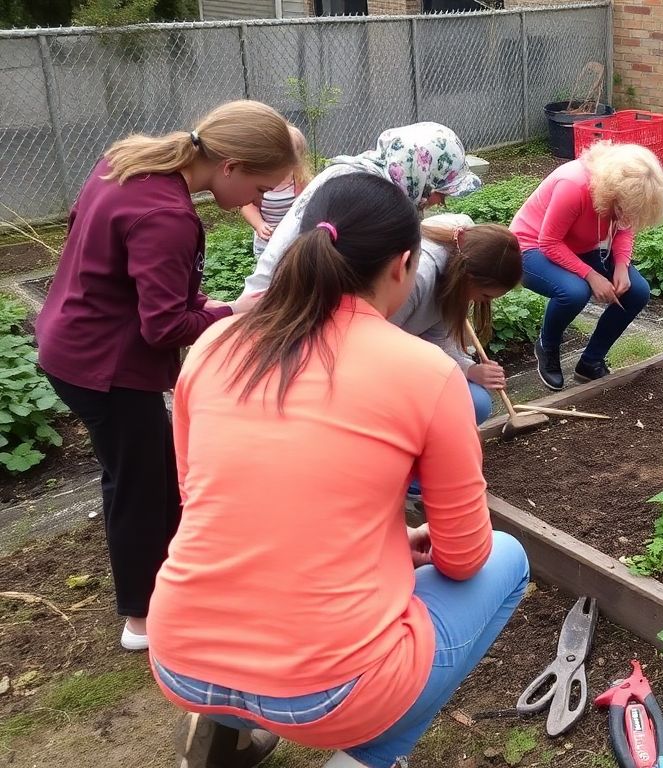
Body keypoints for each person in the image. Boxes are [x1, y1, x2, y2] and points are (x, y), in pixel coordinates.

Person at [147, 172, 530, 768]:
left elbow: (210, 499)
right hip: (326, 693)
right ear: (403, 265)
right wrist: (406, 547)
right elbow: (463, 558)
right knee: (508, 559)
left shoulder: (216, 344)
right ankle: (363, 758)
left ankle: (225, 738)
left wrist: (391, 542)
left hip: (181, 657)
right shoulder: (426, 373)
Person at [35, 100, 297, 652]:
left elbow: (129, 273)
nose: (258, 202)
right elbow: (163, 327)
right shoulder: (169, 216)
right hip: (105, 365)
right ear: (230, 166)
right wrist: (234, 313)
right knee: (139, 486)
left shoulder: (127, 164)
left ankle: (179, 582)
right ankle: (142, 618)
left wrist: (211, 303)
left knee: (151, 471)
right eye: (260, 188)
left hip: (72, 339)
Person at [241, 121, 482, 295]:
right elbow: (283, 246)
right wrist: (256, 298)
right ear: (421, 175)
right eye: (441, 193)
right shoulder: (361, 190)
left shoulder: (384, 184)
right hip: (291, 296)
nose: (440, 202)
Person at [511, 141, 663, 390]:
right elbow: (549, 242)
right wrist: (591, 276)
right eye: (621, 208)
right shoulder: (573, 185)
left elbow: (624, 228)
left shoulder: (624, 192)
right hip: (531, 248)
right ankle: (547, 345)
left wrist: (621, 265)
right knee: (574, 292)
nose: (625, 216)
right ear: (610, 192)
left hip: (578, 247)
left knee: (637, 291)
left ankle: (590, 361)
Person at [391, 213, 524, 425]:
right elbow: (378, 343)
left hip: (412, 352)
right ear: (469, 278)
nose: (482, 302)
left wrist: (469, 369)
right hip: (379, 361)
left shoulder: (465, 251)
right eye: (486, 296)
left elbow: (440, 336)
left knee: (477, 403)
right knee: (443, 409)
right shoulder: (417, 279)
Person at [239, 123, 311, 257]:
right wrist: (259, 224)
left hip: (292, 240)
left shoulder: (299, 179)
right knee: (267, 274)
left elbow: (306, 204)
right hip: (267, 241)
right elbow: (247, 205)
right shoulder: (259, 179)